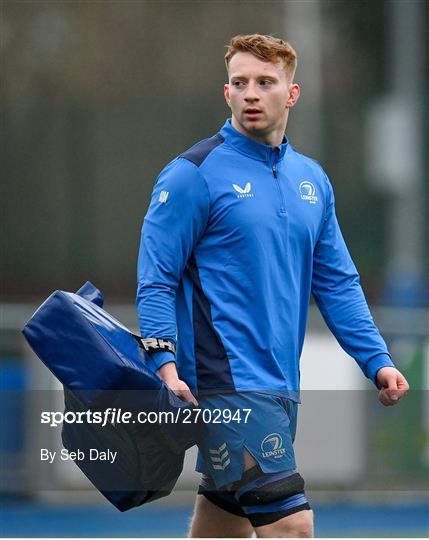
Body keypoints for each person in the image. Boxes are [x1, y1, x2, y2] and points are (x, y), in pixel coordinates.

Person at [136, 34, 409, 538]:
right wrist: (165, 364)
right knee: (292, 526)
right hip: (225, 384)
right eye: (240, 83)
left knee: (224, 524)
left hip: (281, 383)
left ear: (292, 93)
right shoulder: (191, 174)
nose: (251, 93)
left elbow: (338, 282)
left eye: (265, 82)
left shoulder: (313, 180)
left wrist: (378, 359)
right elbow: (156, 279)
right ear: (227, 93)